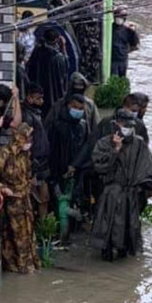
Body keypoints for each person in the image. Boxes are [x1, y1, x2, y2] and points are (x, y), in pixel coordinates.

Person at [89, 110, 152, 260]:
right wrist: (116, 150)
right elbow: (99, 167)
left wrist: (149, 186)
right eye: (124, 125)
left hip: (131, 195)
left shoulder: (139, 143)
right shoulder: (103, 143)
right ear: (116, 124)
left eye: (130, 125)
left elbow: (150, 167)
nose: (127, 128)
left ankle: (124, 255)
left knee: (129, 231)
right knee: (108, 229)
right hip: (111, 193)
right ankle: (106, 257)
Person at [0, 123, 41, 274]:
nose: (30, 141)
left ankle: (29, 265)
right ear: (19, 138)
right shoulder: (4, 153)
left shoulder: (25, 154)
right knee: (15, 235)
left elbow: (27, 174)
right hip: (11, 203)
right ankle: (17, 266)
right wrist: (3, 188)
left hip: (25, 201)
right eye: (28, 137)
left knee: (28, 234)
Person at [46, 93, 91, 244]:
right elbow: (51, 150)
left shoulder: (83, 126)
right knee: (57, 203)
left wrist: (76, 166)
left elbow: (87, 148)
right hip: (58, 170)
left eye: (80, 108)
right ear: (67, 106)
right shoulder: (56, 125)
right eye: (75, 107)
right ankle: (58, 234)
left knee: (75, 200)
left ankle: (70, 232)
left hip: (77, 171)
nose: (78, 111)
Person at [20, 86, 51, 224]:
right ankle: (37, 228)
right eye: (38, 98)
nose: (42, 101)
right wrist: (32, 167)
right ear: (30, 97)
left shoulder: (36, 113)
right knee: (38, 198)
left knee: (43, 198)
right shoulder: (27, 115)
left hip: (41, 161)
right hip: (35, 162)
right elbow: (28, 142)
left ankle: (42, 229)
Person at [25, 29, 69, 118]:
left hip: (37, 94)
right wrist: (63, 47)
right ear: (56, 40)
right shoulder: (58, 57)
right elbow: (66, 68)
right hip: (54, 94)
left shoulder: (37, 52)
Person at [71, 0, 103, 84]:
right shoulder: (85, 4)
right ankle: (86, 76)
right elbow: (90, 16)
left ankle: (90, 75)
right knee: (86, 56)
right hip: (85, 35)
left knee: (95, 55)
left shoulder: (97, 3)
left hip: (93, 36)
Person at [111, 6, 140, 78]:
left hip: (123, 60)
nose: (119, 19)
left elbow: (136, 45)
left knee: (122, 78)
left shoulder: (129, 31)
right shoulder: (110, 29)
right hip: (112, 60)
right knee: (113, 78)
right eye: (117, 17)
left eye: (121, 17)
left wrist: (125, 51)